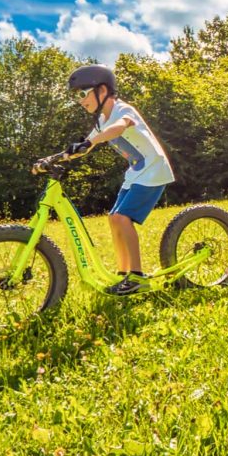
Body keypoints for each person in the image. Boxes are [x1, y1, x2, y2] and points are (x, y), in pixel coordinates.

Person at [65, 64, 175, 295]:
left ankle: (137, 277)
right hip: (137, 172)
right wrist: (53, 159)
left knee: (123, 218)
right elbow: (85, 145)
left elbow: (120, 127)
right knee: (114, 219)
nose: (81, 101)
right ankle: (123, 273)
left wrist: (92, 141)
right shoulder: (101, 122)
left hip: (154, 170)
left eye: (83, 94)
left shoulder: (123, 110)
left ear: (102, 91)